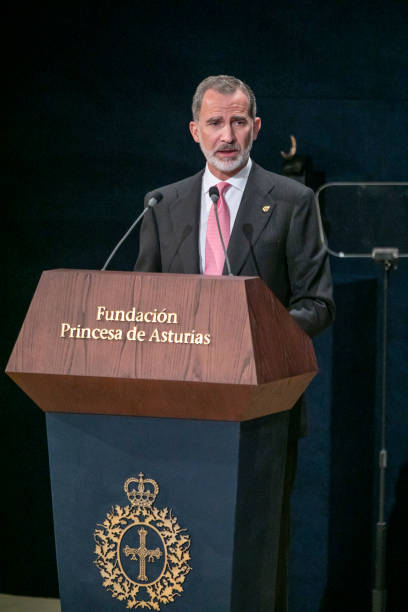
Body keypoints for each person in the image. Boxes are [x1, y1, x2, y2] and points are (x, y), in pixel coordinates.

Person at [135, 75, 335, 610]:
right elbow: (142, 303)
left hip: (263, 410)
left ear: (257, 129)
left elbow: (318, 304)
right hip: (177, 407)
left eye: (239, 122)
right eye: (217, 122)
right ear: (195, 130)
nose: (228, 135)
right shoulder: (162, 205)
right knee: (182, 543)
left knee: (255, 548)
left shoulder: (293, 202)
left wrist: (251, 338)